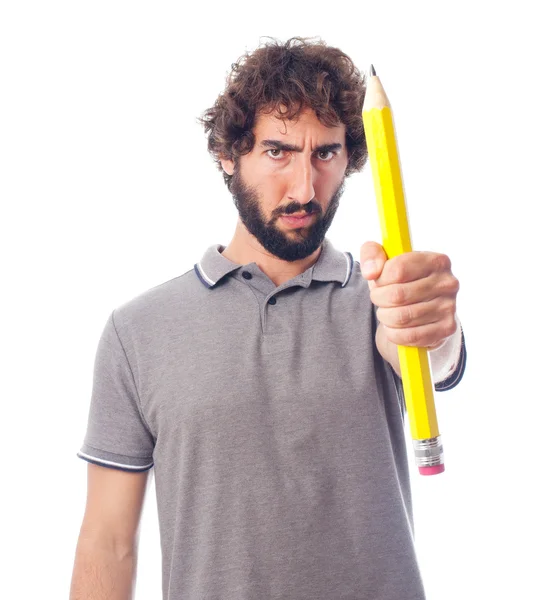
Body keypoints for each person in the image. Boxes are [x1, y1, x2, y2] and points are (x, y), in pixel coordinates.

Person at [70, 37, 467, 600]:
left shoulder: (381, 300)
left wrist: (433, 326)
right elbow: (109, 541)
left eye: (325, 154)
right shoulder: (138, 332)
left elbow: (435, 355)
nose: (305, 188)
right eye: (278, 151)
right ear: (229, 156)